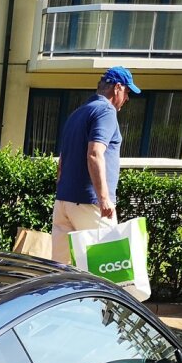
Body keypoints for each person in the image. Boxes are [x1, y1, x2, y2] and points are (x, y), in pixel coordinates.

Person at [50, 66, 140, 265]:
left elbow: (62, 162)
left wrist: (64, 192)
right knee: (106, 267)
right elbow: (94, 153)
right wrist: (104, 199)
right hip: (91, 204)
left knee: (60, 269)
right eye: (127, 92)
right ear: (117, 88)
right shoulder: (106, 111)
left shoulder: (77, 114)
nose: (126, 99)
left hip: (64, 201)